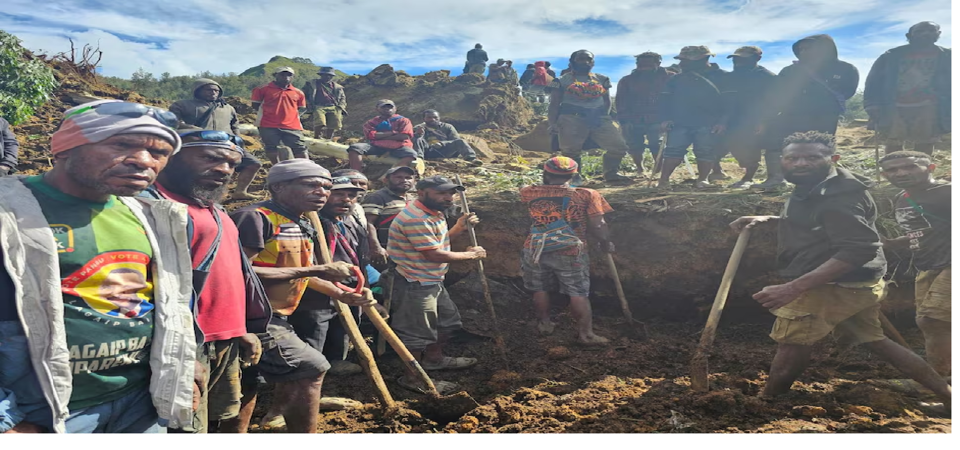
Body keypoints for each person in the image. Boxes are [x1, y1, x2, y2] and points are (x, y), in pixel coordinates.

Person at [0, 100, 197, 433]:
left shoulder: (158, 219)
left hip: (141, 402)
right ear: (65, 148)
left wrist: (188, 366)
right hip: (39, 411)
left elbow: (175, 302)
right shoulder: (10, 210)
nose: (143, 161)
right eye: (122, 144)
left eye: (159, 153)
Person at [729, 131, 951, 411]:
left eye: (812, 157)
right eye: (792, 158)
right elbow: (822, 224)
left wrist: (793, 288)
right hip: (855, 284)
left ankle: (767, 402)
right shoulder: (816, 185)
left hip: (831, 285)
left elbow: (858, 248)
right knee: (876, 341)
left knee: (793, 342)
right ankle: (950, 398)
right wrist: (772, 219)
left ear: (833, 158)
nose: (800, 163)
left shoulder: (838, 197)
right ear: (780, 160)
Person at [230, 159, 371, 433]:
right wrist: (317, 268)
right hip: (251, 316)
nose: (322, 192)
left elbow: (301, 274)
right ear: (279, 187)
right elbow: (237, 273)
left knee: (247, 380)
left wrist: (342, 294)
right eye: (311, 185)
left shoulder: (301, 222)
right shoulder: (256, 218)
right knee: (311, 366)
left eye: (325, 187)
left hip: (277, 315)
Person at [144, 130, 270, 433]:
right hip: (185, 345)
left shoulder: (217, 210)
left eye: (231, 164)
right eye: (210, 157)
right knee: (183, 427)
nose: (223, 169)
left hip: (224, 339)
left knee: (218, 419)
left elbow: (232, 277)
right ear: (170, 157)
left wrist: (241, 329)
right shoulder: (150, 207)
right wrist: (178, 355)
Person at [387, 175, 484, 394]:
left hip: (432, 279)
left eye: (450, 193)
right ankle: (412, 378)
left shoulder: (434, 213)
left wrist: (458, 227)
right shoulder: (416, 218)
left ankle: (434, 359)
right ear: (421, 192)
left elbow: (436, 244)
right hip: (414, 282)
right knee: (416, 334)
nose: (448, 197)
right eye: (441, 193)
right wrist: (471, 256)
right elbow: (433, 254)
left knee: (448, 323)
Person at [520, 157, 613, 345]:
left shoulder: (528, 192)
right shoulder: (586, 194)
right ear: (574, 174)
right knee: (577, 292)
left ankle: (544, 324)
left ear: (545, 173)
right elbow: (598, 224)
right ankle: (585, 335)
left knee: (540, 288)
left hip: (535, 248)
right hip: (570, 250)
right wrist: (605, 241)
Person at [287, 175, 371, 379]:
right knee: (314, 334)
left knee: (343, 330)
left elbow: (361, 262)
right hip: (316, 293)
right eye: (339, 194)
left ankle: (336, 364)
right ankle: (307, 379)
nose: (346, 200)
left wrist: (364, 288)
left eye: (351, 195)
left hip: (350, 290)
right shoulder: (304, 225)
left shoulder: (352, 224)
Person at [879, 151, 951, 376]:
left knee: (933, 321)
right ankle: (943, 382)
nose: (901, 173)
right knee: (930, 323)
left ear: (931, 167)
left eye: (910, 167)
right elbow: (923, 232)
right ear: (884, 174)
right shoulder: (904, 197)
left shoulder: (947, 192)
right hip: (928, 266)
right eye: (893, 170)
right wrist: (890, 243)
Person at [758, 34, 858, 189]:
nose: (803, 51)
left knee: (819, 147)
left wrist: (822, 101)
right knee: (776, 143)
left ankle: (822, 179)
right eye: (801, 49)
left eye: (808, 48)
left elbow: (848, 91)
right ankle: (776, 179)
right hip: (790, 115)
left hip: (824, 116)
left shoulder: (845, 69)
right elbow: (775, 94)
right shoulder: (790, 70)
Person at [864, 22, 951, 156]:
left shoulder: (948, 57)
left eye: (931, 30)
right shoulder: (891, 55)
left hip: (930, 106)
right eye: (920, 31)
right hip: (894, 105)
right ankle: (894, 168)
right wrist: (871, 104)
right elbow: (873, 82)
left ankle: (922, 170)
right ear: (909, 35)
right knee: (893, 141)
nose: (926, 34)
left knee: (925, 142)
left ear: (938, 34)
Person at [169, 79, 262, 201]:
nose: (213, 92)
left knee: (253, 163)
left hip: (227, 145)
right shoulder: (182, 105)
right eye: (208, 90)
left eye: (216, 90)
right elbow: (172, 122)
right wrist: (194, 130)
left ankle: (240, 192)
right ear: (198, 90)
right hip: (199, 144)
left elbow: (235, 125)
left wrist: (238, 140)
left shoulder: (228, 108)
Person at [548, 50, 631, 183]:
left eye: (588, 59)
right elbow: (554, 103)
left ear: (593, 62)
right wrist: (552, 123)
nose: (585, 62)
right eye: (580, 59)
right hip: (571, 118)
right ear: (572, 62)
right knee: (571, 151)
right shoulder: (560, 81)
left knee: (618, 146)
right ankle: (575, 178)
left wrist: (605, 116)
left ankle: (611, 174)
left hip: (599, 119)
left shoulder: (602, 79)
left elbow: (607, 100)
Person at [657, 46, 730, 189]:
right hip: (679, 122)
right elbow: (664, 101)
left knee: (706, 151)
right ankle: (663, 181)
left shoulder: (723, 77)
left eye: (686, 61)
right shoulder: (675, 79)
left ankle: (702, 180)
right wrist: (665, 119)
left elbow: (730, 102)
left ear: (704, 60)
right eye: (681, 60)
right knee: (673, 151)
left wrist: (723, 122)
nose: (681, 64)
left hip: (709, 122)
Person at [719, 46, 777, 189]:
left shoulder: (767, 77)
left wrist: (763, 121)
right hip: (733, 118)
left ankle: (749, 178)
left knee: (752, 147)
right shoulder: (729, 77)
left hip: (755, 119)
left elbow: (774, 102)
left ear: (756, 59)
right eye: (736, 59)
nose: (738, 62)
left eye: (743, 60)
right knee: (735, 146)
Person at [615, 52, 675, 174]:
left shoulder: (670, 78)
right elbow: (621, 101)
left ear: (658, 63)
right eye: (641, 64)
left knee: (656, 143)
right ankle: (640, 168)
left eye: (649, 64)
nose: (644, 67)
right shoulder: (627, 81)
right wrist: (624, 121)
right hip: (633, 118)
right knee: (634, 144)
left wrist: (670, 118)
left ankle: (658, 169)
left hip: (660, 118)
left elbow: (677, 98)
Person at [251, 67, 308, 164]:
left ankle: (306, 169)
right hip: (268, 125)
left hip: (292, 126)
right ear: (275, 75)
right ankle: (276, 167)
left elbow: (299, 107)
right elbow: (256, 105)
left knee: (300, 148)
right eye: (282, 74)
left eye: (289, 75)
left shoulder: (298, 92)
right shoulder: (262, 89)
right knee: (271, 148)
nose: (286, 77)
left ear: (293, 77)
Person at [363, 166, 417, 265]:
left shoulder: (413, 199)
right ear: (386, 180)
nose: (404, 180)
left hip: (408, 253)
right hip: (386, 253)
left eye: (408, 177)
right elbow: (368, 223)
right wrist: (376, 247)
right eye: (398, 177)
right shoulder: (377, 197)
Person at [346, 99, 418, 171]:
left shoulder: (404, 120)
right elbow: (370, 135)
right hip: (377, 146)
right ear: (377, 109)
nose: (387, 109)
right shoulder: (372, 122)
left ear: (395, 108)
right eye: (383, 107)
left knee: (411, 154)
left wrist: (380, 136)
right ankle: (356, 172)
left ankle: (392, 173)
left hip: (399, 147)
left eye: (390, 107)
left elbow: (404, 136)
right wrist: (393, 133)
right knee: (355, 148)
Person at [413, 110, 478, 161]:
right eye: (429, 117)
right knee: (417, 138)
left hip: (445, 150)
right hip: (427, 151)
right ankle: (419, 159)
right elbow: (414, 141)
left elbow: (455, 140)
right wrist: (418, 134)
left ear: (439, 118)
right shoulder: (418, 127)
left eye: (435, 117)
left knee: (460, 141)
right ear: (424, 118)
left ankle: (471, 159)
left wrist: (442, 144)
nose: (432, 119)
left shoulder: (447, 127)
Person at [303, 67, 347, 141]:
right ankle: (317, 137)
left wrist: (341, 107)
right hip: (318, 106)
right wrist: (308, 103)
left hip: (333, 106)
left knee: (334, 123)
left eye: (329, 75)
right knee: (320, 122)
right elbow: (303, 94)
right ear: (321, 75)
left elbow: (343, 98)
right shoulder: (312, 84)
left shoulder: (337, 87)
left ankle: (328, 139)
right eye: (325, 75)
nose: (327, 77)